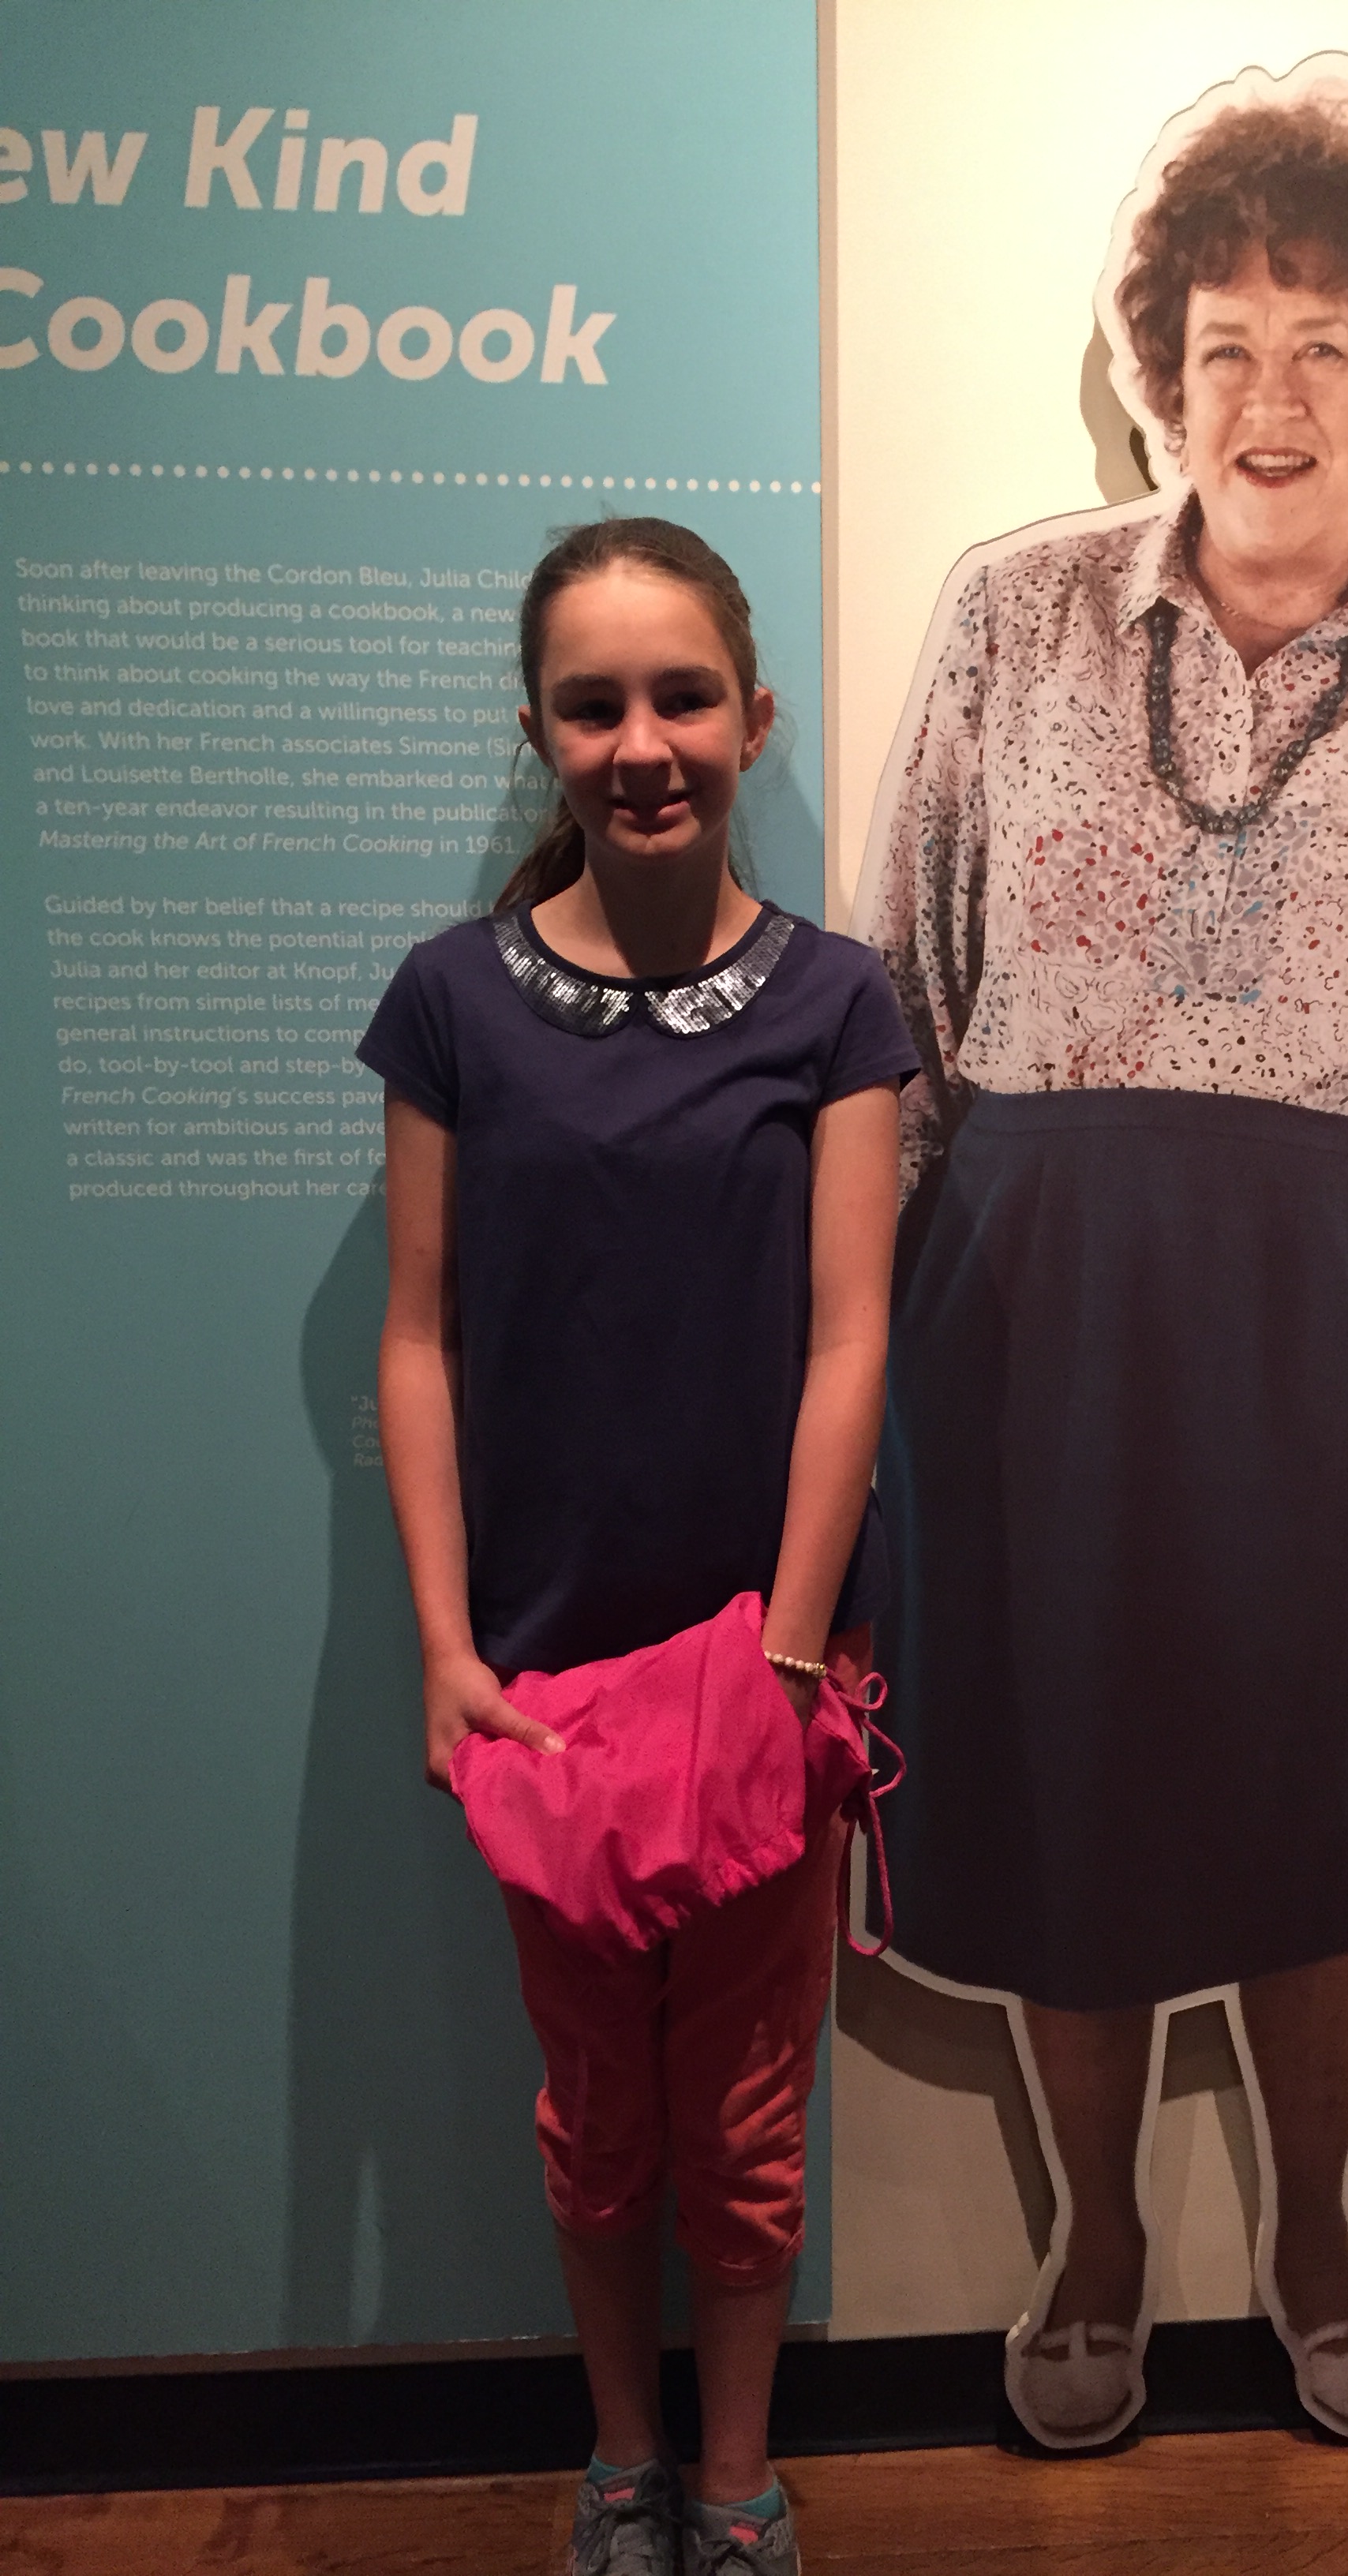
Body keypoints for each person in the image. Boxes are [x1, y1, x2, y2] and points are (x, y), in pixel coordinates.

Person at [859, 90, 1348, 2446]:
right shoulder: (1014, 609)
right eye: (1227, 342)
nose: (1270, 398)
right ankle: (1099, 2246)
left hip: (1306, 1297)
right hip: (1020, 1277)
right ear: (1161, 365)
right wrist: (899, 1276)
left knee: (1287, 1769)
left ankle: (1320, 2235)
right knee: (1058, 1763)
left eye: (1326, 345)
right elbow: (904, 973)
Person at [361, 518, 916, 2575]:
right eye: (592, 706)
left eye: (682, 695)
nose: (642, 742)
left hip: (764, 1670)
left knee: (747, 2126)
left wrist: (785, 1652)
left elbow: (851, 1338)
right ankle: (618, 2465)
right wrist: (445, 1648)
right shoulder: (452, 1001)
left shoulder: (836, 1002)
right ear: (541, 734)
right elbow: (417, 1338)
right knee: (598, 2120)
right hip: (545, 1685)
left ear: (752, 717)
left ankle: (736, 2483)